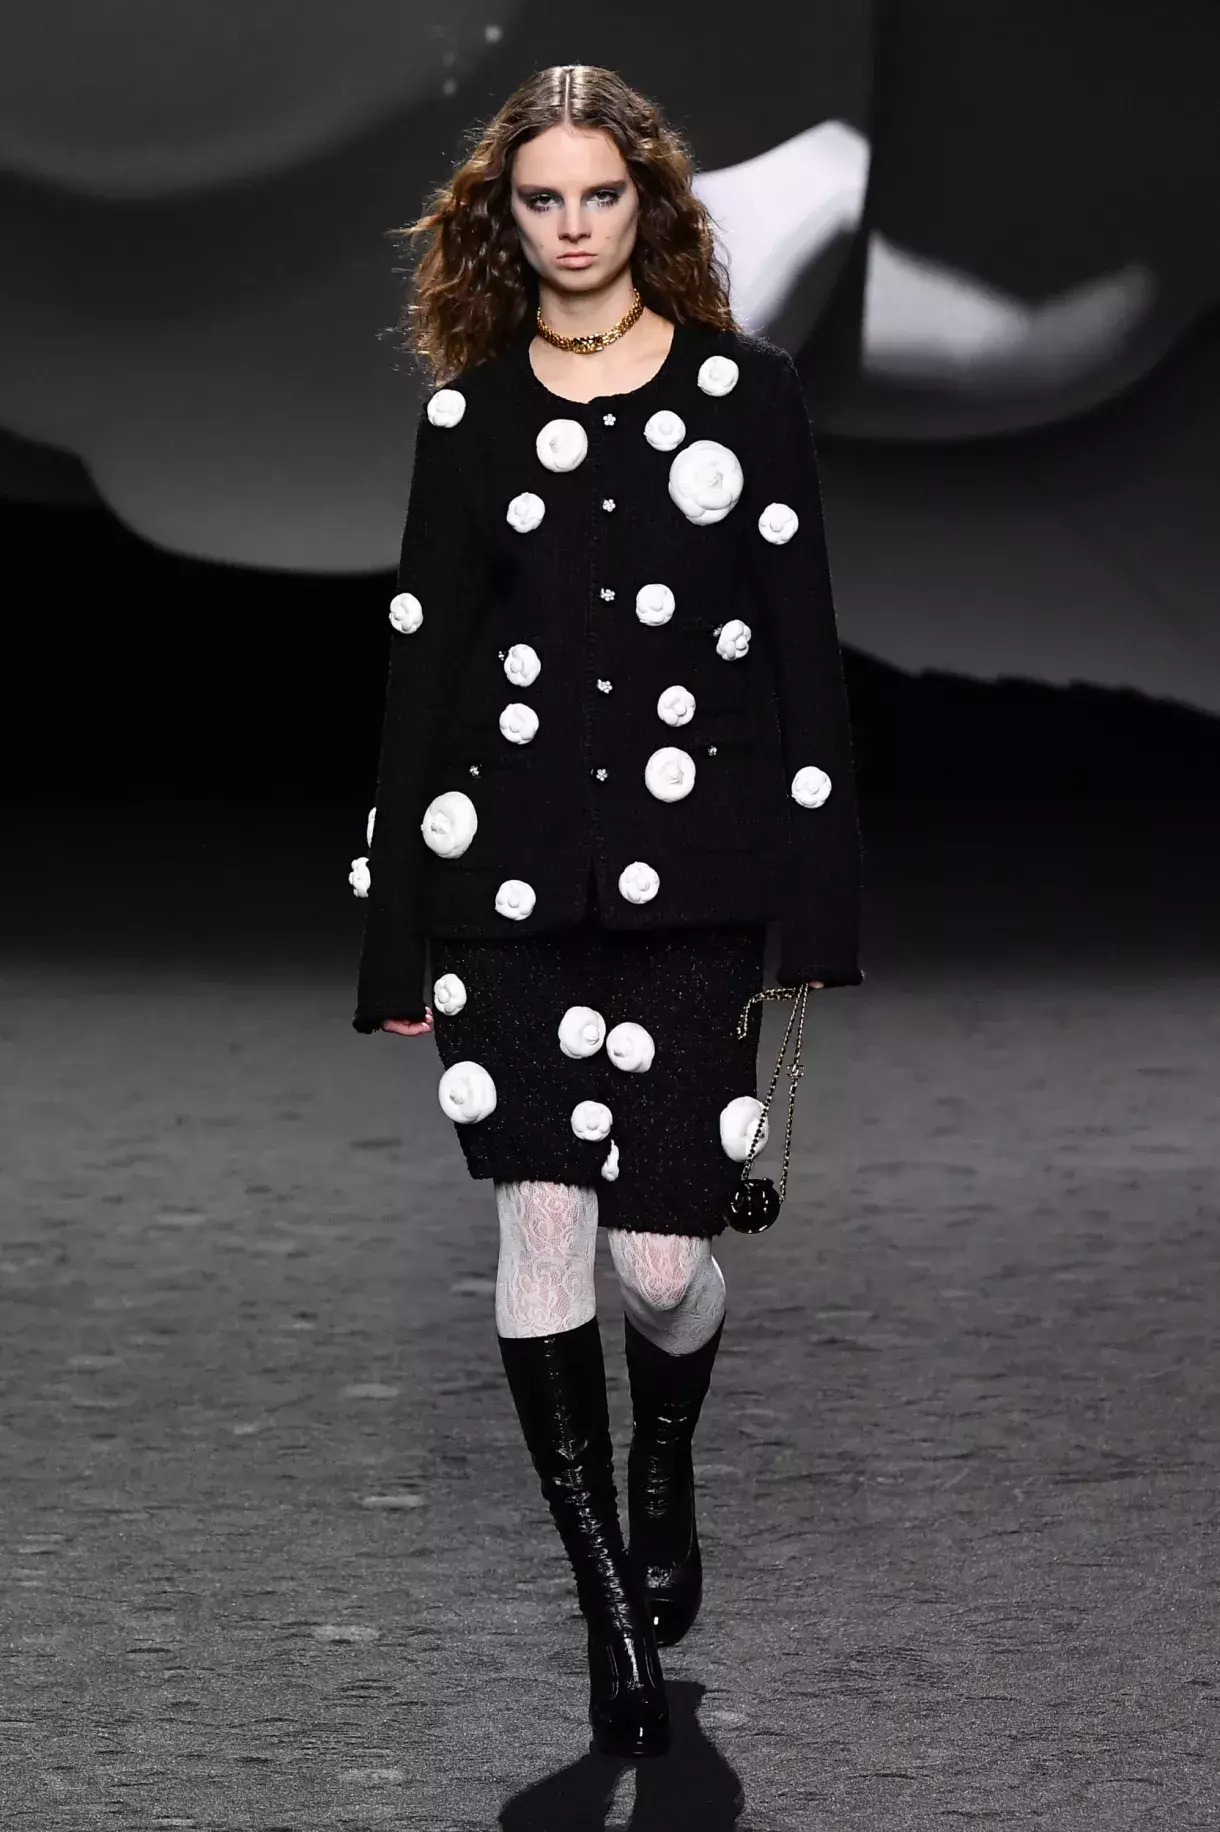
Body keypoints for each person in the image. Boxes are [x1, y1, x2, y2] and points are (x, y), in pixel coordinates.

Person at [350, 63, 864, 1760]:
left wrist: (818, 913)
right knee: (543, 1233)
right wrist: (397, 934)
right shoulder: (470, 420)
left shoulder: (746, 396)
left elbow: (800, 658)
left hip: (699, 883)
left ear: (649, 203)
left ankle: (667, 1441)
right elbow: (424, 674)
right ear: (502, 220)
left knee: (660, 1265)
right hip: (501, 884)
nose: (573, 227)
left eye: (600, 195)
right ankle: (611, 1623)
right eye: (542, 200)